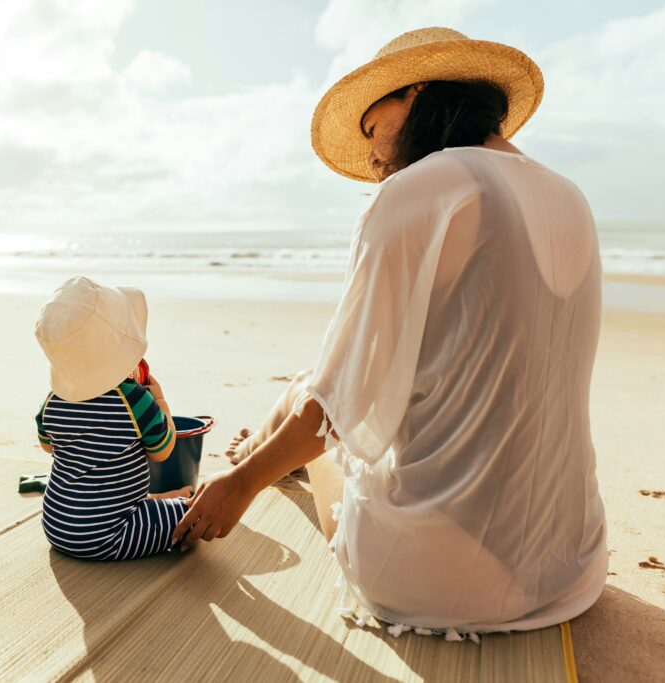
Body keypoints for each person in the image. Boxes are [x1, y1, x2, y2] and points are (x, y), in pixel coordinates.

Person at [171, 27, 608, 638]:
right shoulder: (570, 195)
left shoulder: (417, 191)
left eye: (372, 130)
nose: (374, 160)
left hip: (444, 582)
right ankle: (262, 448)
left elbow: (335, 411)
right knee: (316, 393)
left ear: (417, 93)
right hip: (572, 565)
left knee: (307, 394)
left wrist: (239, 486)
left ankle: (254, 457)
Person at [34, 276, 192, 561]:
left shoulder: (52, 401)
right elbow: (163, 451)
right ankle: (171, 503)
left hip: (57, 527)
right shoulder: (134, 400)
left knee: (115, 495)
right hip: (112, 534)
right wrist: (160, 402)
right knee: (195, 514)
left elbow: (48, 446)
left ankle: (156, 502)